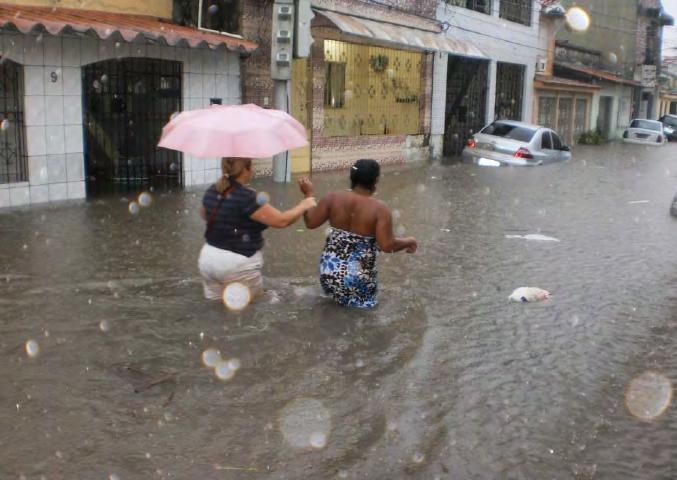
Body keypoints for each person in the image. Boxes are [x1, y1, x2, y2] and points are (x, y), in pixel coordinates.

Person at [299, 159, 417, 308]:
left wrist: (308, 194)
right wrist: (409, 240)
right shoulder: (380, 209)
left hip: (329, 272)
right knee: (364, 319)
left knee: (333, 309)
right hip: (358, 278)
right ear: (375, 181)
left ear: (352, 178)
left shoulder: (332, 198)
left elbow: (310, 222)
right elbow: (387, 245)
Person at [198, 157, 316, 301]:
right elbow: (281, 221)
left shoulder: (213, 190)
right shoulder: (247, 197)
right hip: (237, 264)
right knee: (254, 308)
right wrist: (304, 204)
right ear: (246, 169)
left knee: (217, 308)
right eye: (251, 166)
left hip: (208, 259)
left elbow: (205, 214)